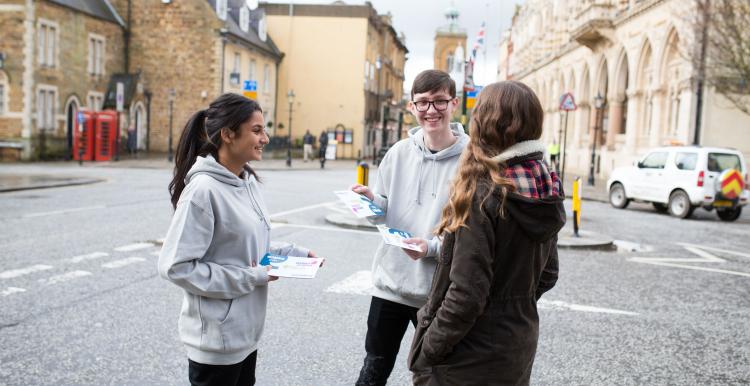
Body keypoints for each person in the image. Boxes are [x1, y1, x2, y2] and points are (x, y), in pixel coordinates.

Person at [407, 81, 565, 385]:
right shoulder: (544, 186)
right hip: (517, 343)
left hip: (468, 356)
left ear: (486, 123)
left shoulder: (484, 193)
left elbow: (466, 294)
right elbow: (548, 274)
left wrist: (427, 350)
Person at [158, 93, 315, 386]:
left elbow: (247, 246)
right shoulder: (203, 191)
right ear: (228, 134)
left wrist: (293, 254)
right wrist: (252, 276)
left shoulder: (248, 181)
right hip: (216, 344)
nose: (265, 138)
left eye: (264, 130)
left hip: (245, 335)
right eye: (257, 130)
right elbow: (175, 267)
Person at [351, 69, 469, 386]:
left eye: (439, 101)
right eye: (423, 102)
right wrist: (371, 202)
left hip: (438, 292)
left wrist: (431, 248)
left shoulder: (472, 160)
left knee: (436, 374)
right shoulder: (398, 153)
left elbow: (472, 234)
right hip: (390, 284)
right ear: (412, 107)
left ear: (454, 102)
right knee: (373, 369)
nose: (431, 110)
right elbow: (383, 211)